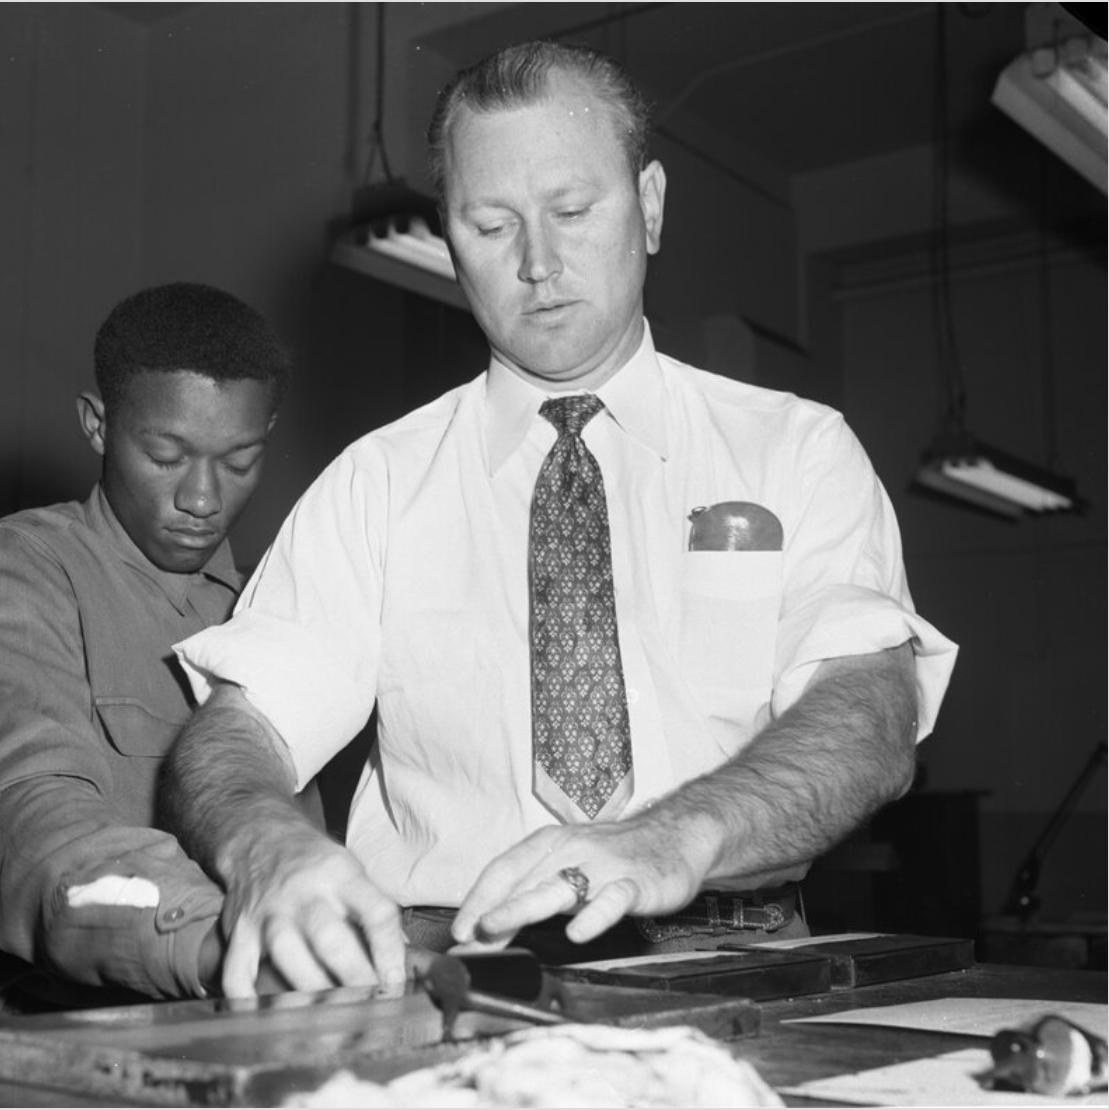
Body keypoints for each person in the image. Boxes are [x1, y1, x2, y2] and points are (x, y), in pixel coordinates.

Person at [161, 41, 958, 998]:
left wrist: (671, 838)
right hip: (448, 966)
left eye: (573, 212)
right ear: (449, 240)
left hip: (733, 956)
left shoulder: (796, 450)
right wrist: (264, 846)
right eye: (492, 225)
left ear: (651, 206)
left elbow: (868, 717)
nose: (539, 264)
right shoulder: (376, 483)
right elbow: (235, 734)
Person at [0, 282, 293, 1027]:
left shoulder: (270, 617)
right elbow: (30, 823)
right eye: (166, 454)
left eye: (240, 460)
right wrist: (230, 940)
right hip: (32, 1057)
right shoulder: (8, 573)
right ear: (97, 425)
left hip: (222, 1039)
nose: (203, 499)